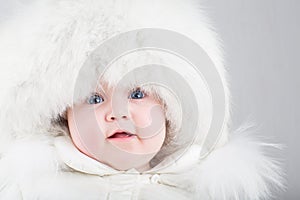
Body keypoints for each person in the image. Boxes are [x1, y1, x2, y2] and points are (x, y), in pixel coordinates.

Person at [0, 0, 284, 199]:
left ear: (171, 111)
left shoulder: (204, 192)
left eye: (137, 93)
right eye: (95, 98)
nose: (118, 113)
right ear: (61, 115)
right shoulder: (33, 191)